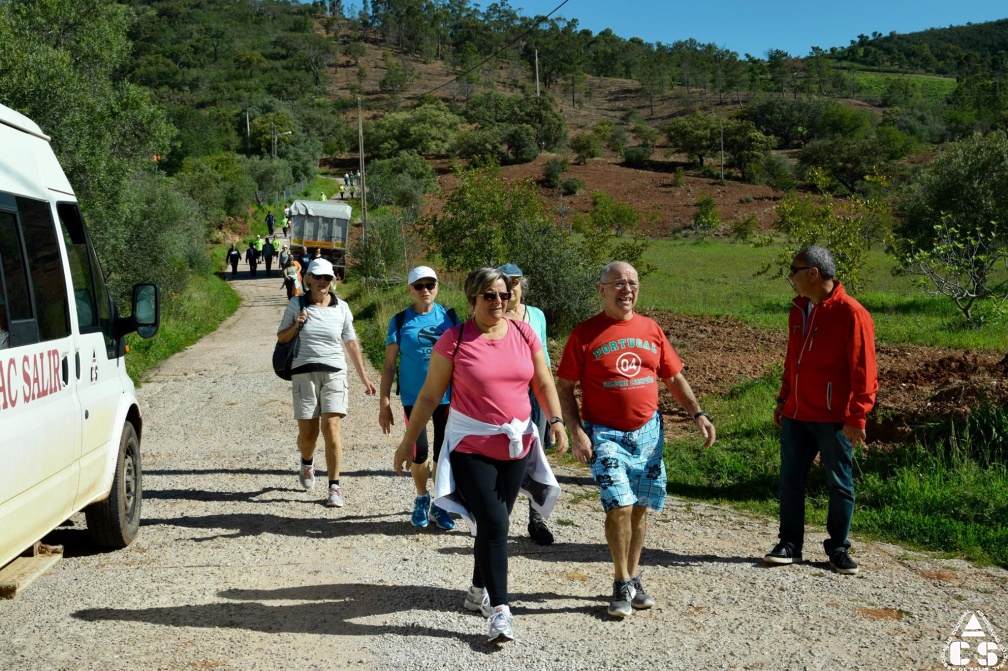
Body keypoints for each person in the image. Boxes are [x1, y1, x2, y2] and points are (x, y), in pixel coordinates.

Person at [394, 267, 569, 643]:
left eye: (504, 295)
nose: (499, 302)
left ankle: (476, 590)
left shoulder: (524, 333)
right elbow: (427, 396)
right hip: (471, 445)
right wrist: (407, 442)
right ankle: (501, 611)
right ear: (472, 299)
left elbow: (542, 381)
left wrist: (555, 420)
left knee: (495, 522)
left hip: (516, 443)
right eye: (489, 296)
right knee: (495, 522)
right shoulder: (454, 340)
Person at [556, 261, 716, 620]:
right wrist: (576, 430)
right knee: (620, 506)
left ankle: (634, 575)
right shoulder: (584, 334)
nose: (626, 289)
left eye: (632, 283)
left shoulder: (651, 329)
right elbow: (564, 386)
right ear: (602, 290)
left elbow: (673, 379)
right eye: (618, 283)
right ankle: (619, 581)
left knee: (641, 506)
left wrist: (698, 413)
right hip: (605, 433)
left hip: (649, 433)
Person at [764, 245, 878, 576]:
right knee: (790, 481)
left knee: (839, 483)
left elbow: (864, 371)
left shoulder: (851, 313)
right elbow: (792, 360)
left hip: (834, 419)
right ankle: (789, 544)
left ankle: (838, 549)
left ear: (813, 273)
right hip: (798, 414)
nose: (791, 278)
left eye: (794, 271)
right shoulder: (799, 309)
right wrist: (784, 399)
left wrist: (857, 417)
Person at [277, 258, 377, 508]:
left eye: (327, 278)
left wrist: (364, 377)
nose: (322, 282)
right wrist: (297, 323)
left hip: (335, 372)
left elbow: (351, 343)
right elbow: (281, 337)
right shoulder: (296, 304)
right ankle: (307, 461)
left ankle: (334, 486)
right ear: (308, 278)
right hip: (303, 372)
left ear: (333, 281)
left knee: (331, 426)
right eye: (318, 277)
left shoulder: (342, 307)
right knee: (308, 434)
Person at [379, 266, 459, 530]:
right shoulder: (400, 321)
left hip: (447, 396)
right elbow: (390, 365)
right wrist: (384, 402)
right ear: (409, 289)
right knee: (420, 450)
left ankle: (440, 504)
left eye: (430, 284)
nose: (425, 290)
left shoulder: (449, 316)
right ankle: (422, 497)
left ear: (437, 286)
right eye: (419, 286)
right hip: (414, 396)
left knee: (443, 452)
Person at [497, 263, 554, 546]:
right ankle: (498, 517)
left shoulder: (537, 316)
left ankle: (537, 519)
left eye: (515, 282)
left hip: (535, 393)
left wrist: (554, 410)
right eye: (506, 282)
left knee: (537, 454)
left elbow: (545, 361)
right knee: (503, 454)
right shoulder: (493, 316)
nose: (512, 288)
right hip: (506, 396)